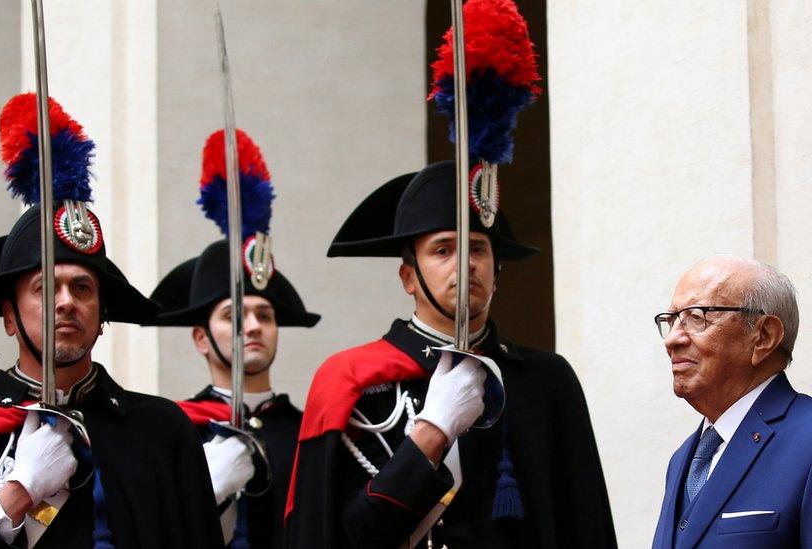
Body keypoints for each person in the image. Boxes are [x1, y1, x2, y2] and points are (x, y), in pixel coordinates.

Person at [0, 93, 222, 549]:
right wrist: (13, 500)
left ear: (103, 314)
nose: (66, 302)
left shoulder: (161, 431)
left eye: (83, 288)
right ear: (9, 316)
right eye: (46, 288)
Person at [285, 161, 616, 548]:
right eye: (443, 250)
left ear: (497, 272)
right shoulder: (354, 381)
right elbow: (349, 536)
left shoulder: (546, 379)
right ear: (408, 277)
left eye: (478, 249)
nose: (466, 263)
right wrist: (431, 433)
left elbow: (584, 523)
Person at [149, 239, 319, 548]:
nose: (253, 326)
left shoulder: (308, 434)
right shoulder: (171, 432)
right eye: (234, 315)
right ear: (201, 338)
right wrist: (202, 493)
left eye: (265, 315)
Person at [651, 255, 812, 548]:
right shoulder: (683, 459)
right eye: (672, 320)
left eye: (696, 317)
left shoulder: (807, 439)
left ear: (763, 336)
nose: (672, 339)